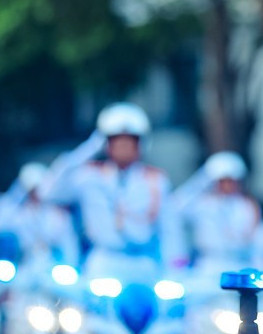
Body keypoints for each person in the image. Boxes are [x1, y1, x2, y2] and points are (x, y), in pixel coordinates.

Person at [38, 103, 181, 279]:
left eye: (129, 141)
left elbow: (169, 227)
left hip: (145, 263)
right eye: (117, 141)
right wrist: (89, 147)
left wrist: (174, 268)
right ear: (106, 145)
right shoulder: (89, 176)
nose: (123, 147)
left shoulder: (156, 180)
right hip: (105, 262)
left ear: (140, 145)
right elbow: (48, 192)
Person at [171, 151, 260, 277]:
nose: (228, 185)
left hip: (239, 264)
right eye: (223, 180)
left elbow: (256, 240)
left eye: (232, 180)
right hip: (209, 265)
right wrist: (201, 179)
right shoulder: (204, 204)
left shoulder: (246, 206)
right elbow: (174, 206)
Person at [0, 162, 79, 273]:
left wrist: (72, 268)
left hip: (53, 269)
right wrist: (15, 195)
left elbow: (70, 247)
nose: (37, 193)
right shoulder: (17, 214)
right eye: (33, 189)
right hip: (23, 269)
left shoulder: (58, 216)